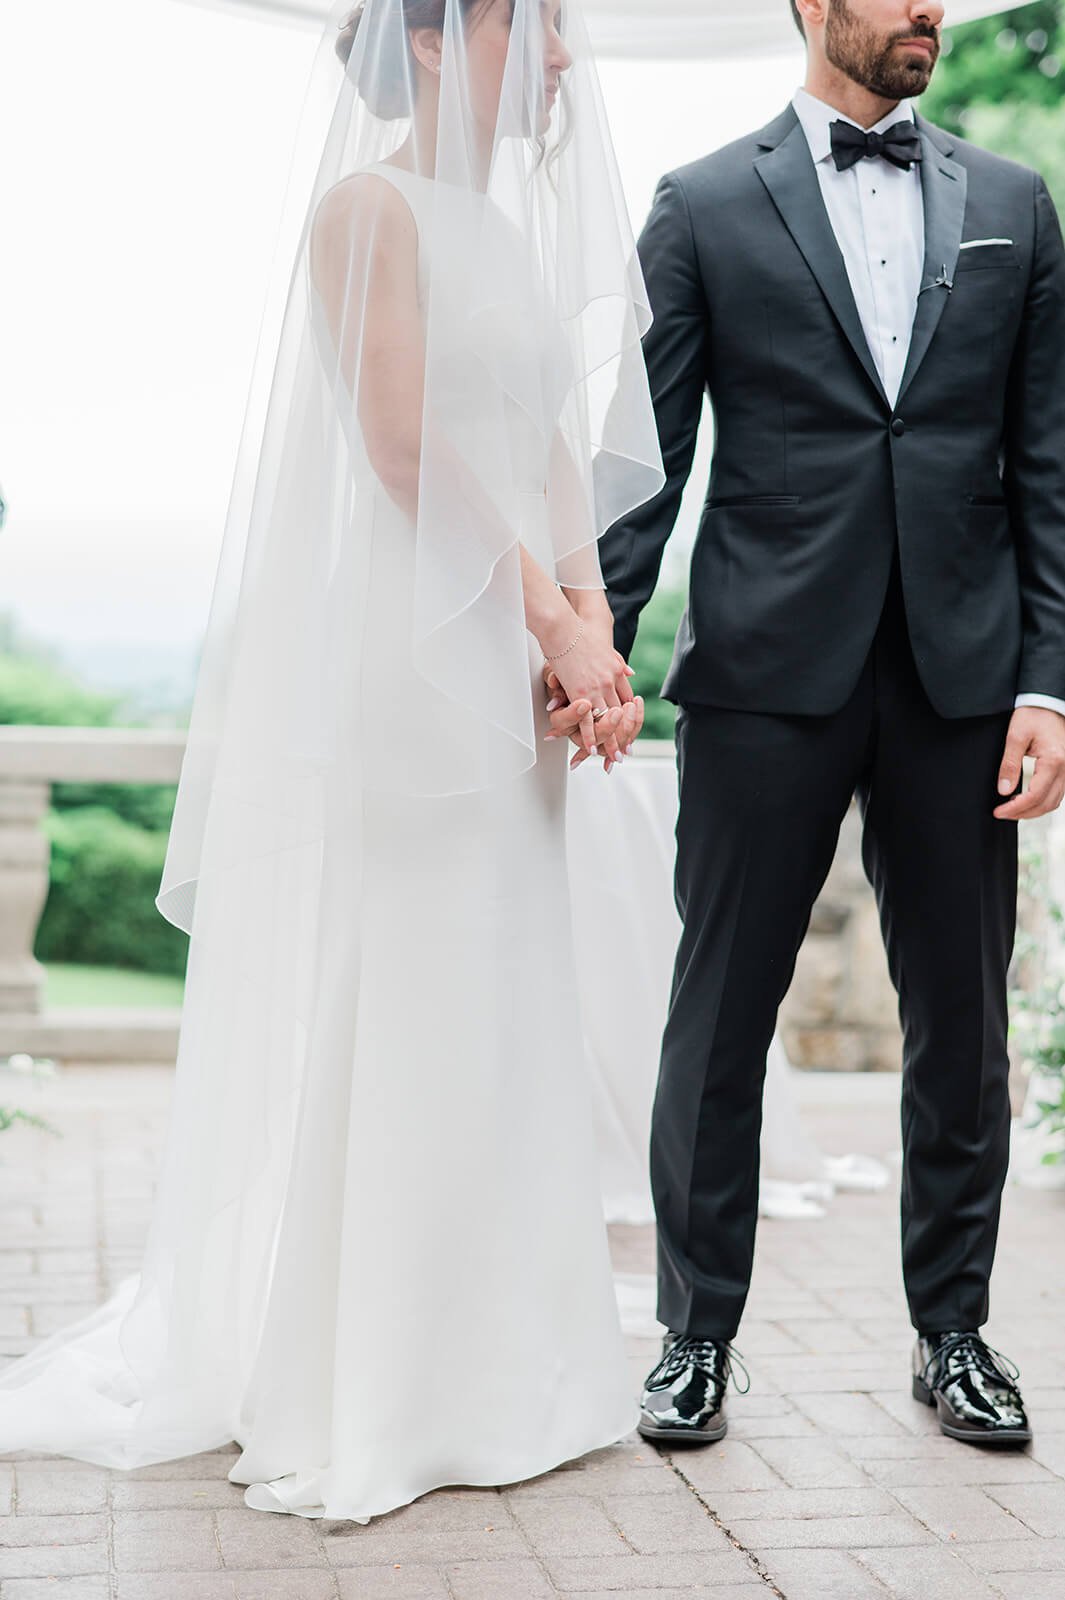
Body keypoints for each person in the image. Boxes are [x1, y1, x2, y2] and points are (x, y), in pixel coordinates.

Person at [0, 0, 664, 1522]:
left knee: (510, 983)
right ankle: (384, 1377)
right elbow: (406, 443)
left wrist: (595, 630)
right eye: (527, 23)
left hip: (519, 647)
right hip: (422, 660)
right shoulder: (366, 211)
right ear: (431, 41)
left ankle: (516, 1365)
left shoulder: (508, 232)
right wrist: (545, 627)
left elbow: (553, 450)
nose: (557, 57)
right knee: (421, 977)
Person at [595, 0, 1065, 1449]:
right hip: (759, 677)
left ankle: (953, 1334)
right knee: (719, 1014)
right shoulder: (699, 205)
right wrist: (596, 654)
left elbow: (1047, 460)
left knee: (960, 1028)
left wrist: (1047, 682)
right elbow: (643, 454)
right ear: (809, 6)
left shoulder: (1012, 203)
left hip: (961, 683)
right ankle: (694, 1336)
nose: (926, 7)